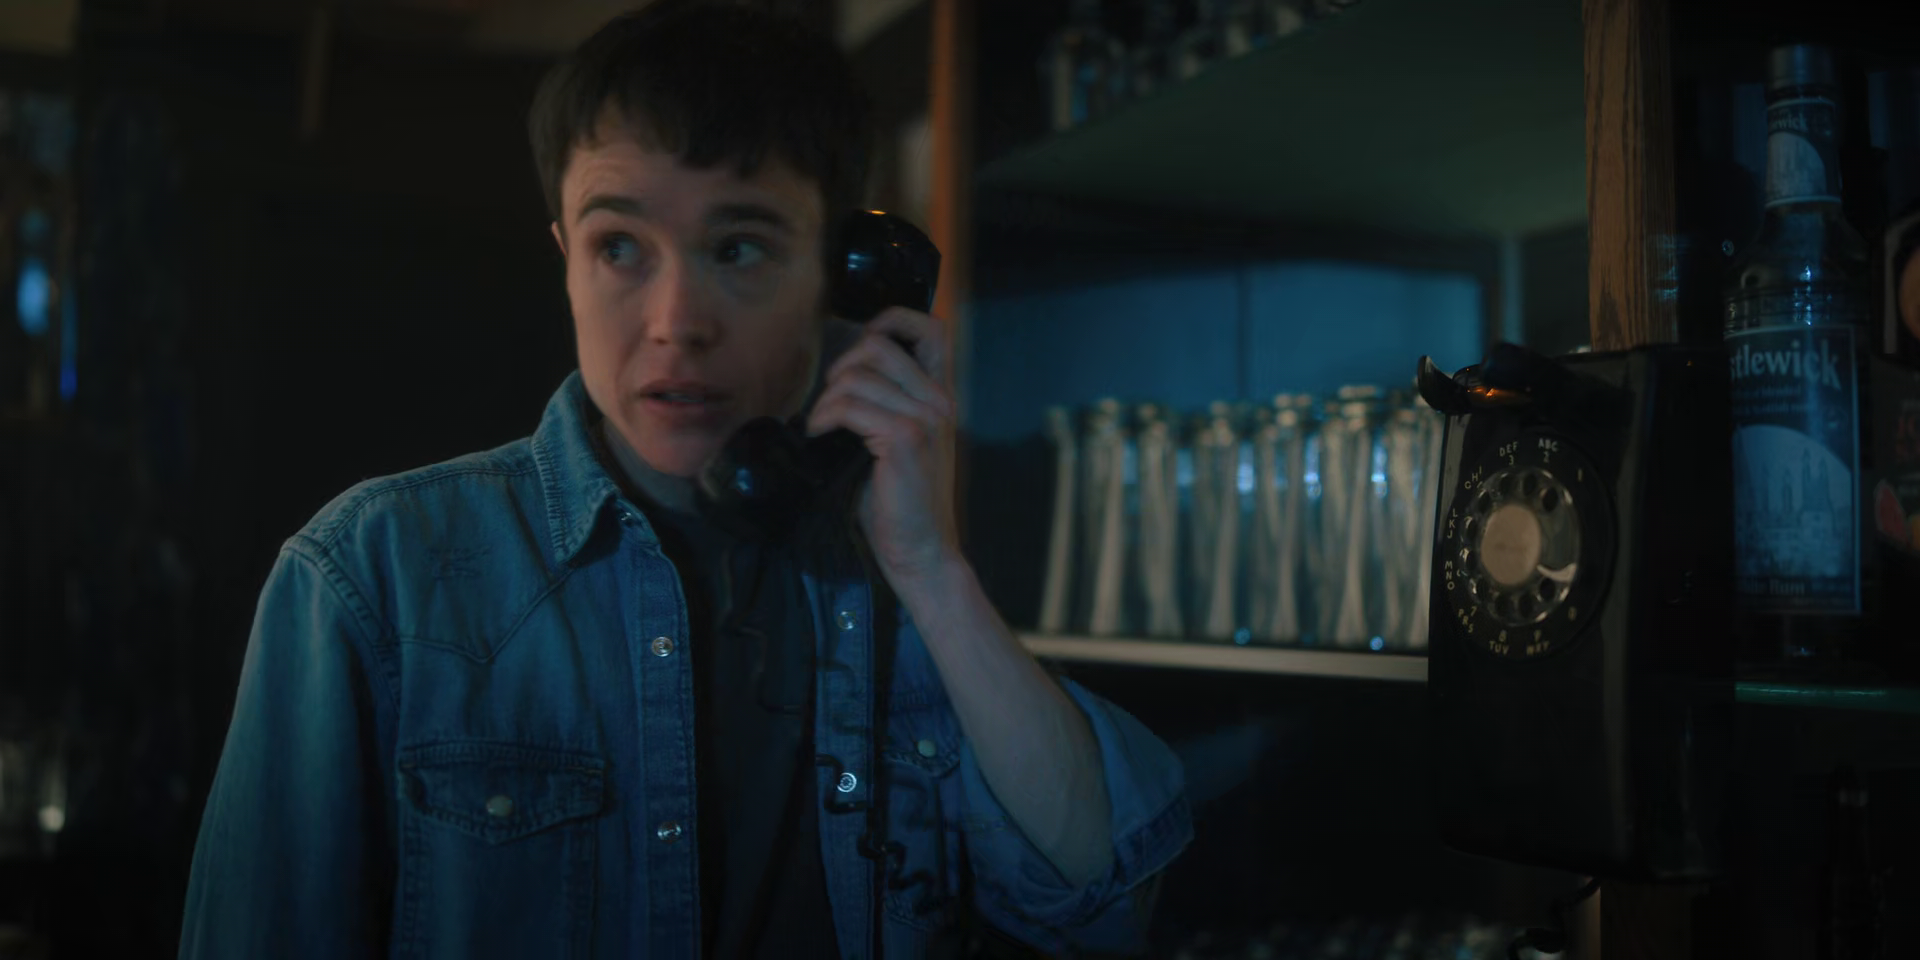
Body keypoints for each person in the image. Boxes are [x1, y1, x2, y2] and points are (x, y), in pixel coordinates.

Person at [176, 2, 1192, 957]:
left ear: (839, 275)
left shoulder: (904, 554)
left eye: (740, 246)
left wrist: (929, 569)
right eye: (620, 247)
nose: (675, 322)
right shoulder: (371, 575)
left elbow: (1104, 900)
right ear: (566, 258)